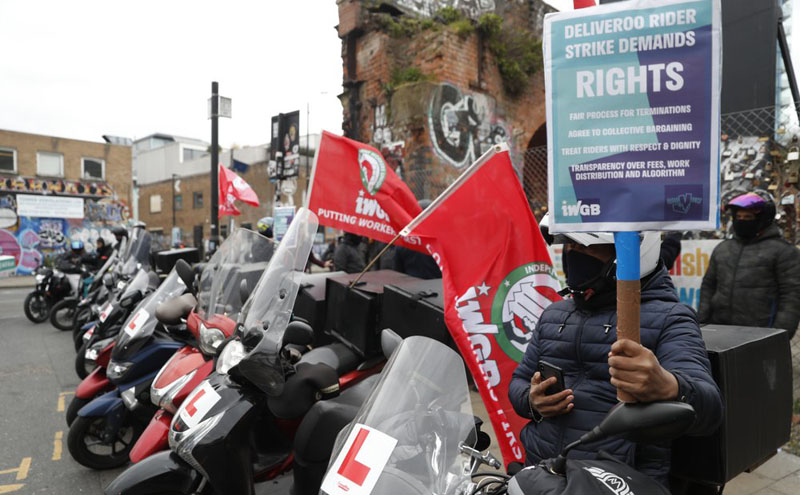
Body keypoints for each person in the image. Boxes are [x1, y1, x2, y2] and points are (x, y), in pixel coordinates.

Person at [509, 215, 723, 488]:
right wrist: (532, 400)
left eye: (586, 247)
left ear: (634, 251)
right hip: (542, 474)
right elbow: (518, 381)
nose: (574, 255)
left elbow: (710, 410)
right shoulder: (554, 314)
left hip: (617, 482)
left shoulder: (671, 317)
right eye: (570, 246)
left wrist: (668, 385)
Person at [699, 192, 800, 337]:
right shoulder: (723, 249)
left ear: (761, 219)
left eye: (748, 217)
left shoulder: (784, 252)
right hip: (719, 331)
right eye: (738, 217)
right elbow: (708, 286)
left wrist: (779, 334)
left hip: (760, 334)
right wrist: (702, 323)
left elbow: (791, 297)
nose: (742, 221)